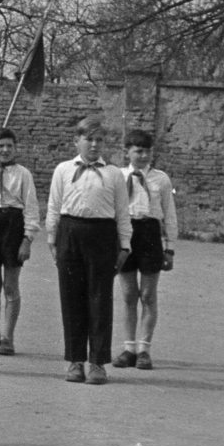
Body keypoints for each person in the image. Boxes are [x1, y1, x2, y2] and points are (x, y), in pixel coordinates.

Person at [44, 115, 132, 385]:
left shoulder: (114, 174)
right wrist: (52, 239)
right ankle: (75, 361)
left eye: (99, 140)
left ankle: (97, 363)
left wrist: (125, 245)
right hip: (69, 233)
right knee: (71, 298)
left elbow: (122, 213)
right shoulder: (63, 170)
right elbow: (54, 206)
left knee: (100, 299)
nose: (94, 145)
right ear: (76, 141)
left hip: (102, 236)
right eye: (88, 139)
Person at [112, 129, 177, 371]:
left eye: (147, 151)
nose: (143, 155)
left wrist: (169, 248)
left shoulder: (161, 179)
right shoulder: (117, 176)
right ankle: (129, 348)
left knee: (148, 295)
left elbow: (169, 215)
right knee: (129, 294)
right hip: (126, 234)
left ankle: (144, 350)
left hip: (150, 234)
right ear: (126, 152)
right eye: (138, 151)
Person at [0, 128, 38, 357]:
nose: (4, 150)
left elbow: (31, 208)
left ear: (16, 148)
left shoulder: (23, 174)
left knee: (11, 285)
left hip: (13, 225)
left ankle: (8, 337)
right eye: (0, 146)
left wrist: (27, 240)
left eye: (9, 146)